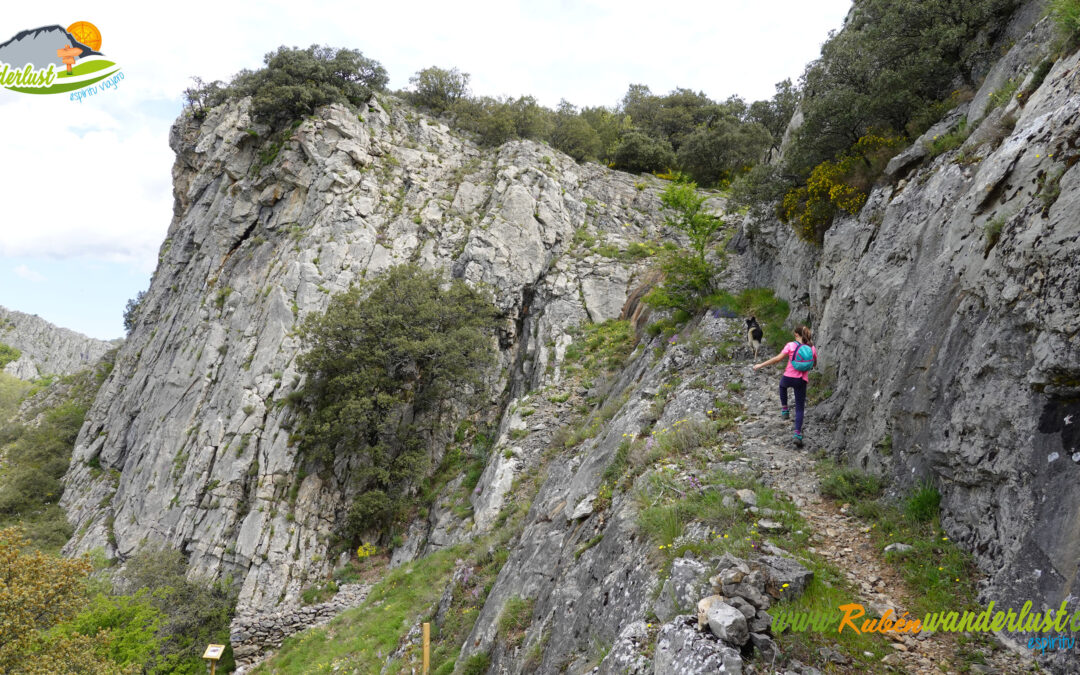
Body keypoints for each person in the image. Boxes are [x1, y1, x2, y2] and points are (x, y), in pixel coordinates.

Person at [752, 325, 817, 447]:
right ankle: (797, 434)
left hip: (788, 377)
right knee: (799, 408)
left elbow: (777, 359)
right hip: (802, 380)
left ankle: (785, 409)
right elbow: (814, 363)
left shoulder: (791, 345)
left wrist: (760, 365)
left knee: (782, 386)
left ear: (796, 334)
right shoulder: (811, 347)